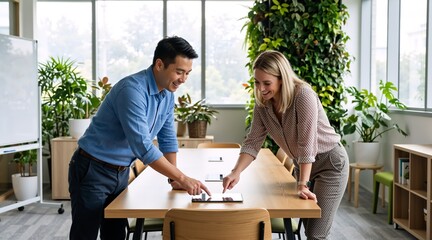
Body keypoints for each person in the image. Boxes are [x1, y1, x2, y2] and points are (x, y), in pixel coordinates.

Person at [68, 36, 211, 240]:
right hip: (92, 169)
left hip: (120, 172)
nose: (183, 79)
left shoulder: (167, 95)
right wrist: (183, 178)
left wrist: (174, 179)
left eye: (187, 73)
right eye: (179, 72)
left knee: (116, 235)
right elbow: (142, 146)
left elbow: (168, 138)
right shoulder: (132, 90)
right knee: (85, 234)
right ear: (159, 64)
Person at [222, 50, 348, 240]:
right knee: (307, 227)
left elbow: (306, 144)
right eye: (257, 82)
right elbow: (253, 141)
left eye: (267, 83)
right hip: (303, 165)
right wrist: (235, 172)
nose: (261, 88)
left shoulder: (303, 95)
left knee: (316, 234)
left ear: (282, 79)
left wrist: (302, 184)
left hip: (330, 164)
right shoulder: (263, 103)